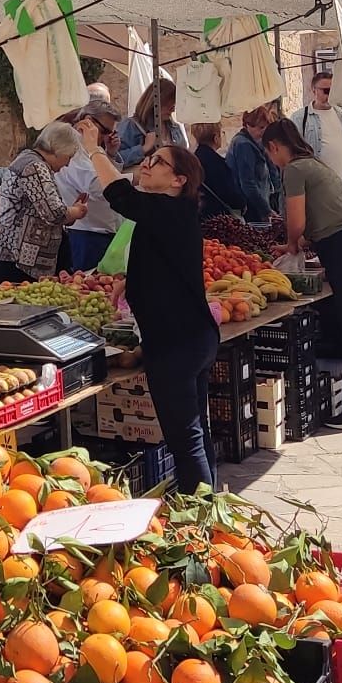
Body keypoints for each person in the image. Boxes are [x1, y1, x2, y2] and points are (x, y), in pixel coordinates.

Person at [76, 115, 220, 490]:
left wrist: (92, 149)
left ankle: (201, 519)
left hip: (176, 343)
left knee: (185, 439)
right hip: (190, 336)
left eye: (158, 161)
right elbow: (160, 257)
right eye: (149, 157)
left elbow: (120, 196)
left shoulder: (169, 209)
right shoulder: (171, 214)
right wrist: (129, 281)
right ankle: (213, 508)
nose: (147, 162)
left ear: (178, 180)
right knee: (196, 431)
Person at [264, 119, 342, 424]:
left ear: (275, 147)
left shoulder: (293, 170)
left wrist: (292, 243)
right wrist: (299, 244)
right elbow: (325, 219)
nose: (272, 159)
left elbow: (296, 221)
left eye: (270, 153)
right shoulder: (315, 165)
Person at [0, 122, 88, 280]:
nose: (67, 163)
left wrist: (71, 213)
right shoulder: (35, 166)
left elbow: (45, 210)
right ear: (59, 149)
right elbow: (54, 214)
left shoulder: (29, 161)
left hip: (11, 257)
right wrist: (76, 211)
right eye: (69, 157)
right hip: (15, 259)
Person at [58, 99, 123, 271]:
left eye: (112, 133)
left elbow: (107, 177)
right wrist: (132, 180)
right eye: (105, 131)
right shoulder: (74, 148)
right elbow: (98, 185)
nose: (107, 136)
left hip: (100, 230)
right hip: (86, 233)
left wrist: (110, 154)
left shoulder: (91, 148)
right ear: (88, 121)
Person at [291, 71, 342, 199]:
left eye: (332, 91)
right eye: (326, 91)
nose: (330, 95)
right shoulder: (299, 118)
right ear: (314, 90)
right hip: (318, 186)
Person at [227, 107, 281, 228]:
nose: (263, 131)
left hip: (260, 200)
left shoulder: (256, 142)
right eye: (260, 127)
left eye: (265, 127)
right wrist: (265, 210)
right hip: (252, 206)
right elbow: (248, 183)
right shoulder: (243, 145)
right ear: (247, 125)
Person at [115, 83, 189, 169]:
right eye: (167, 104)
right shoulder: (130, 126)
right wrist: (143, 149)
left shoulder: (175, 128)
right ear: (154, 103)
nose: (172, 109)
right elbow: (113, 160)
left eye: (173, 104)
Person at [191, 121, 247, 220]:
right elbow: (228, 192)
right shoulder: (215, 162)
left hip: (200, 214)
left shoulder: (194, 159)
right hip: (217, 216)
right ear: (216, 137)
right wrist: (242, 203)